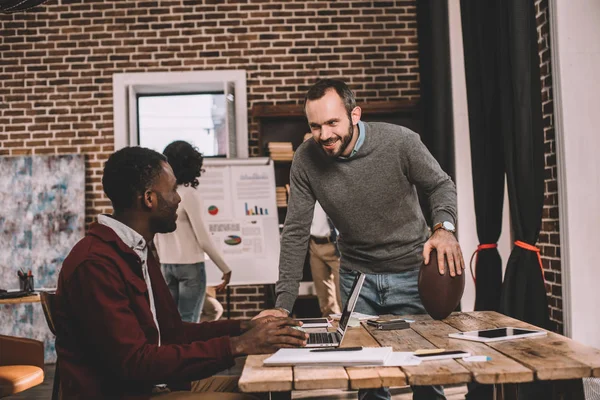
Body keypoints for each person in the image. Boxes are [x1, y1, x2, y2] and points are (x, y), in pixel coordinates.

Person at [256, 79, 465, 400]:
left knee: (425, 375)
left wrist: (444, 228)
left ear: (355, 114)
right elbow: (296, 230)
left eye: (332, 122)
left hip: (412, 273)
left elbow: (440, 185)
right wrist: (283, 305)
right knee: (365, 379)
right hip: (356, 280)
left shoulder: (400, 142)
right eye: (315, 126)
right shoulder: (305, 159)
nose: (324, 135)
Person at [53, 146, 307, 399]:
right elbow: (135, 363)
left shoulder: (136, 250)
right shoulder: (96, 264)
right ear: (149, 198)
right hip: (136, 393)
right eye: (172, 189)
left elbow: (173, 333)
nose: (178, 198)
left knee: (271, 388)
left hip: (162, 386)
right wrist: (240, 345)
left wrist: (245, 327)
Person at [155, 140, 231, 323]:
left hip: (166, 265)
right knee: (189, 321)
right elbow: (203, 238)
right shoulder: (189, 194)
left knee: (171, 322)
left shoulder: (159, 194)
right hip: (190, 266)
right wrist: (225, 268)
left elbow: (156, 236)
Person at [303, 134, 343, 317]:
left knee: (345, 300)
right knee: (325, 303)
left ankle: (352, 339)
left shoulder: (335, 174)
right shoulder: (304, 178)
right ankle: (334, 341)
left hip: (336, 245)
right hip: (315, 245)